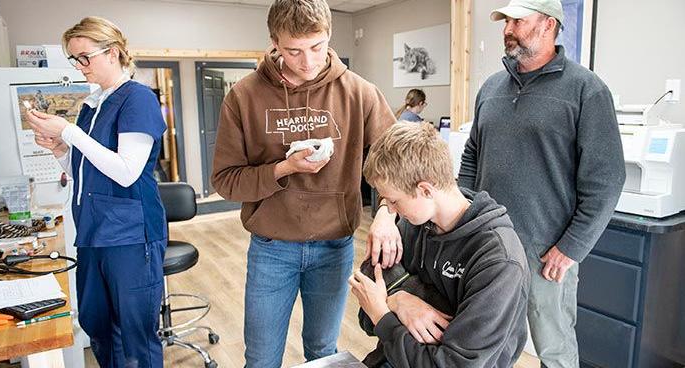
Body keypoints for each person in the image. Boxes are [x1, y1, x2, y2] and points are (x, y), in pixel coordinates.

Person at [210, 0, 400, 366]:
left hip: (335, 247)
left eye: (316, 47)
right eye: (293, 51)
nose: (308, 62)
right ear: (274, 44)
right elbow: (226, 181)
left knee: (322, 354)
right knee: (262, 358)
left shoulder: (359, 92)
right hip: (271, 248)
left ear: (329, 34)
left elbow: (397, 165)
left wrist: (385, 215)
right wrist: (282, 169)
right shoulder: (244, 96)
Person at [458, 0, 626, 366]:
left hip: (545, 252)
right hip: (487, 243)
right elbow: (472, 154)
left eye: (518, 21)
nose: (507, 29)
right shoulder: (490, 89)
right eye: (505, 21)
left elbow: (608, 179)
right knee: (487, 340)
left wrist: (571, 248)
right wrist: (463, 213)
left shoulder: (586, 90)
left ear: (548, 25)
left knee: (554, 347)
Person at [26, 16, 167, 368]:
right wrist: (60, 148)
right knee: (98, 327)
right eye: (73, 59)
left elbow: (126, 172)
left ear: (114, 53)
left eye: (84, 57)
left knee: (135, 337)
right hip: (93, 232)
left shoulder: (138, 99)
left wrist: (70, 133)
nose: (78, 66)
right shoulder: (92, 105)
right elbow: (85, 173)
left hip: (131, 235)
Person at [350, 122, 529, 368]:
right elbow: (366, 310)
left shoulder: (498, 261)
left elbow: (449, 364)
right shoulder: (413, 223)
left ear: (425, 190)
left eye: (393, 201)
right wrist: (397, 302)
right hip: (398, 355)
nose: (389, 211)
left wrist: (383, 312)